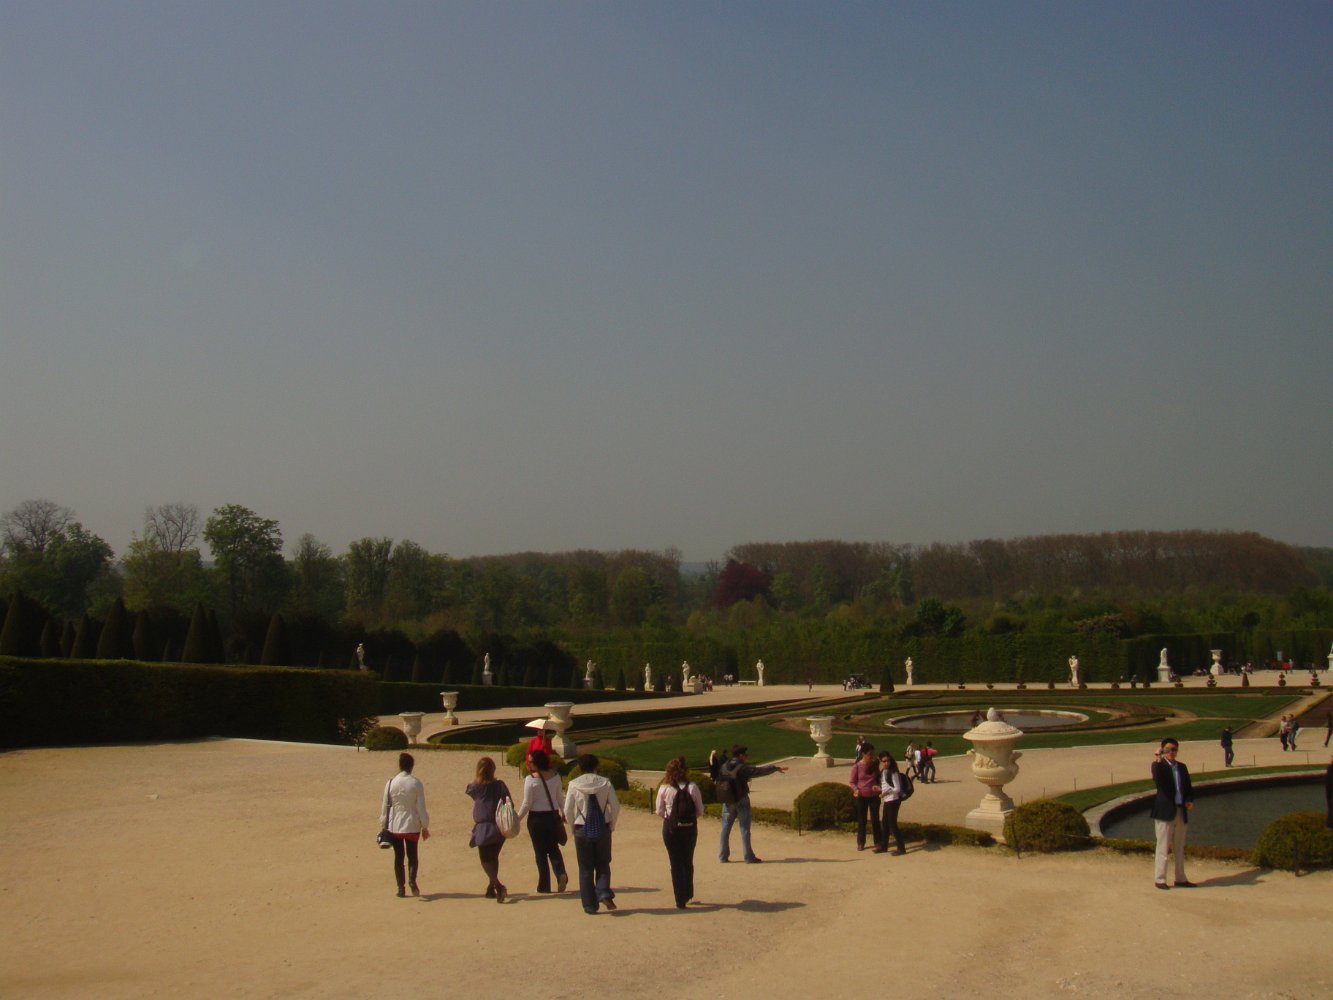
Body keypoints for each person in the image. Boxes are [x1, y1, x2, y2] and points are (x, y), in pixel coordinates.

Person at [564, 753, 621, 914]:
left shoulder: (574, 784)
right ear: (596, 766)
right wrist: (612, 824)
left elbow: (568, 809)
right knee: (603, 863)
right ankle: (603, 892)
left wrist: (572, 827)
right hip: (603, 825)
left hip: (581, 827)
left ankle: (589, 905)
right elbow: (615, 806)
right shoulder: (605, 782)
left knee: (585, 867)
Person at [715, 744, 787, 863]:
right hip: (741, 799)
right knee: (744, 828)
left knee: (725, 828)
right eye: (745, 755)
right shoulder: (742, 767)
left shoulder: (724, 766)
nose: (746, 757)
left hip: (727, 800)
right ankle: (748, 856)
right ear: (740, 755)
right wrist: (774, 768)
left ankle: (723, 856)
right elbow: (758, 771)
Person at [654, 756, 706, 909]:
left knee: (675, 863)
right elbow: (700, 811)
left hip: (671, 829)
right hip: (690, 829)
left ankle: (680, 900)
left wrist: (671, 818)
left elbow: (659, 811)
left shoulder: (664, 788)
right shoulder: (693, 787)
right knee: (687, 860)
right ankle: (688, 892)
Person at [514, 749, 568, 894]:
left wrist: (517, 819)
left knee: (540, 853)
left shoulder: (530, 779)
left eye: (530, 761)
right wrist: (565, 813)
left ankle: (544, 886)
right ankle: (561, 873)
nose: (528, 764)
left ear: (537, 763)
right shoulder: (556, 776)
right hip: (552, 816)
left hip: (536, 819)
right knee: (553, 849)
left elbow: (527, 803)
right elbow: (560, 798)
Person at [379, 751, 430, 897]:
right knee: (412, 855)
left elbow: (385, 806)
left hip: (395, 824)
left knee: (398, 857)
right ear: (411, 766)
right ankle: (412, 880)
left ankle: (400, 888)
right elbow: (421, 807)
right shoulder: (416, 783)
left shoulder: (390, 783)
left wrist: (383, 824)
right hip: (412, 823)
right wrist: (425, 825)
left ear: (400, 765)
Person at [465, 756, 512, 903]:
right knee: (493, 858)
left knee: (485, 859)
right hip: (499, 826)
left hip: (484, 827)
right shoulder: (500, 785)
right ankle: (491, 888)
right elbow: (509, 802)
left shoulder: (475, 787)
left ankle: (498, 886)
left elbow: (471, 791)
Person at [1150, 737, 1194, 890]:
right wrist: (1158, 758)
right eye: (1168, 749)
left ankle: (1180, 878)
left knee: (1179, 847)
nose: (1172, 752)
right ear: (1163, 750)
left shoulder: (1182, 767)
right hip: (1165, 812)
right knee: (1163, 847)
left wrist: (1189, 800)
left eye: (1174, 749)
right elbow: (1157, 779)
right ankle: (1160, 879)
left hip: (1180, 810)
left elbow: (1188, 787)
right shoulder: (1158, 766)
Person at [849, 742, 883, 851]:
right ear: (863, 754)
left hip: (874, 796)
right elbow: (852, 782)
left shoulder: (874, 765)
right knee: (862, 820)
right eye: (869, 754)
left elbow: (879, 779)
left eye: (872, 754)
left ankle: (878, 841)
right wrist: (856, 790)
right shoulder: (857, 766)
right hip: (862, 796)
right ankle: (861, 842)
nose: (872, 756)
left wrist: (879, 787)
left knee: (875, 820)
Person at [875, 750, 907, 855]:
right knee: (885, 823)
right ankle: (884, 846)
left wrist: (885, 793)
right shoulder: (883, 771)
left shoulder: (893, 772)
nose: (886, 763)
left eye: (888, 761)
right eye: (884, 761)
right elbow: (886, 786)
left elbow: (897, 788)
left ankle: (901, 848)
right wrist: (879, 789)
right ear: (880, 761)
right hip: (888, 800)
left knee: (892, 824)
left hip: (894, 800)